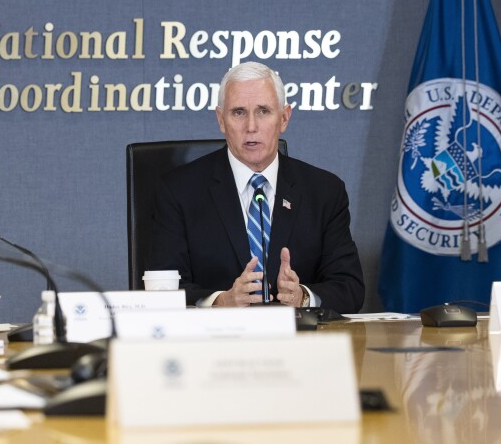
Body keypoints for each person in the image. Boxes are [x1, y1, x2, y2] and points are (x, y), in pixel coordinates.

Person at [146, 61, 365, 313]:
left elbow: (350, 287)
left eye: (263, 111)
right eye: (239, 112)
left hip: (298, 345)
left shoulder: (324, 192)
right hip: (212, 343)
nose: (251, 126)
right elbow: (161, 288)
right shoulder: (179, 191)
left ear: (284, 118)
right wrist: (221, 301)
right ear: (220, 119)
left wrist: (302, 297)